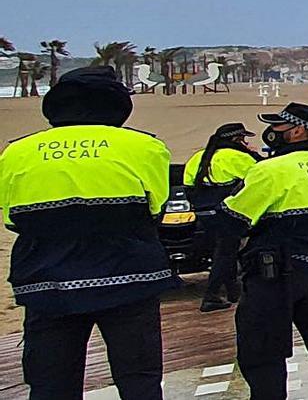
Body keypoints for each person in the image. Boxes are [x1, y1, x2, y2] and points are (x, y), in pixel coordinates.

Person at [0, 66, 177, 400]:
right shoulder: (145, 147)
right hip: (130, 278)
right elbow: (156, 209)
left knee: (51, 383)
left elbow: (12, 218)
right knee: (139, 380)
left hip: (46, 282)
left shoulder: (16, 151)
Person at [222, 103, 308, 400]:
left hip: (275, 276)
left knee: (261, 351)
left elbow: (232, 220)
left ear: (297, 131)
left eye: (279, 127)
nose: (273, 133)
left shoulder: (270, 169)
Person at [183, 123, 261, 312]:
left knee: (225, 250)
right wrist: (254, 154)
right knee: (226, 252)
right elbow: (262, 175)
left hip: (203, 212)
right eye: (244, 139)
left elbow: (187, 184)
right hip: (227, 212)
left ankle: (234, 291)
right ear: (236, 140)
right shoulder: (239, 157)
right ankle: (211, 295)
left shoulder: (199, 157)